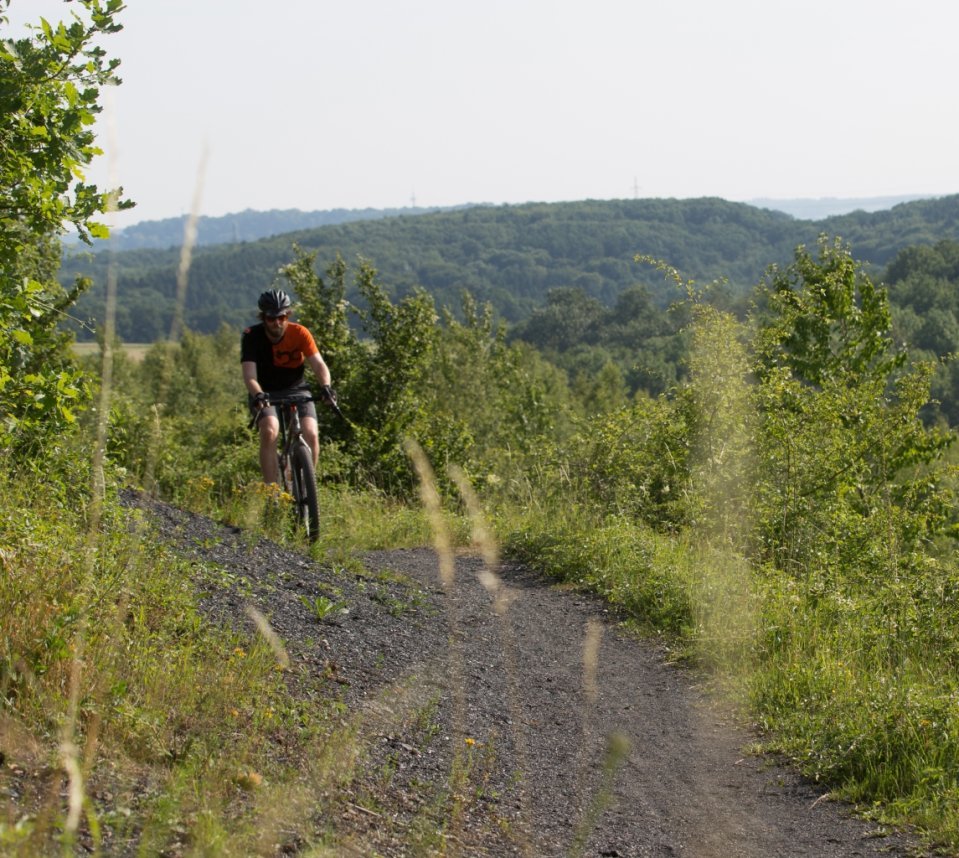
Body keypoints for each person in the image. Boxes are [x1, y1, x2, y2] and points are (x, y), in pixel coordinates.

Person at [241, 288, 334, 485]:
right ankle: (272, 492)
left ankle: (306, 484)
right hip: (265, 391)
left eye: (282, 317)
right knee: (270, 430)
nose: (277, 323)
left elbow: (318, 364)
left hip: (297, 388)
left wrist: (326, 386)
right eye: (271, 318)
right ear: (263, 318)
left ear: (287, 315)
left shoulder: (300, 333)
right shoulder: (252, 336)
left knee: (311, 433)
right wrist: (258, 395)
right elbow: (249, 376)